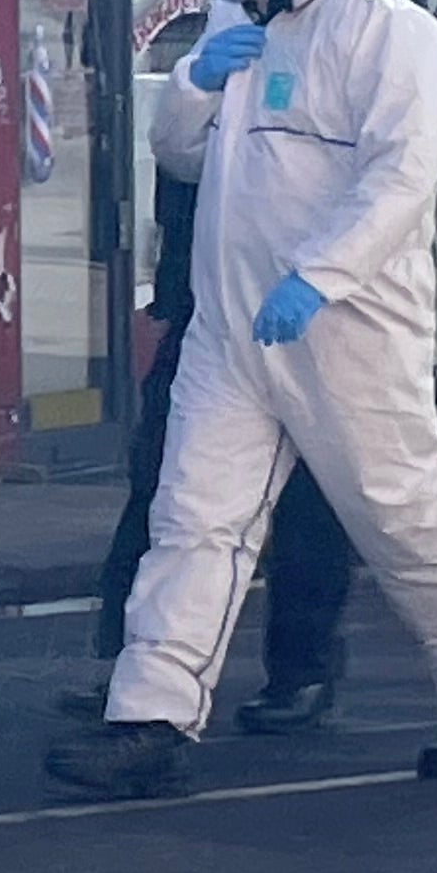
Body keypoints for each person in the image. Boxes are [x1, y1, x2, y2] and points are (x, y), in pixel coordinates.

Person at [46, 0, 437, 797]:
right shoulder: (236, 20)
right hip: (232, 325)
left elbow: (397, 180)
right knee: (192, 519)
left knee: (402, 517)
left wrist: (318, 278)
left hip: (347, 331)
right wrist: (192, 79)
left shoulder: (392, 34)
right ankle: (150, 719)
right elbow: (182, 157)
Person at [59, 48, 359, 731]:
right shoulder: (214, 85)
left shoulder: (318, 99)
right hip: (208, 315)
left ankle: (303, 670)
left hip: (306, 321)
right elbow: (178, 179)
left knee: (312, 506)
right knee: (164, 487)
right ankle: (129, 665)